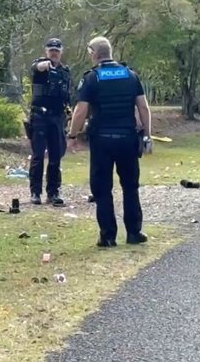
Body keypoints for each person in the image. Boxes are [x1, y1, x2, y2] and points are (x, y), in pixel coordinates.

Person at [67, 36, 151, 247]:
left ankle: (108, 236)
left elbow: (80, 111)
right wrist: (147, 135)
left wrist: (72, 136)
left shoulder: (92, 78)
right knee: (130, 186)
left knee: (103, 189)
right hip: (127, 139)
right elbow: (143, 107)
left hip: (102, 140)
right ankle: (134, 233)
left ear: (94, 53)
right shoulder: (131, 76)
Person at [27, 37, 72, 206]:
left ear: (61, 52)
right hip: (40, 117)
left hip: (57, 117)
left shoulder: (65, 72)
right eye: (51, 50)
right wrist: (43, 65)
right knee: (38, 156)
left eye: (57, 50)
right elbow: (35, 67)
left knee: (56, 156)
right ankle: (35, 192)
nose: (54, 53)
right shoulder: (40, 66)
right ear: (46, 51)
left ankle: (53, 192)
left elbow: (69, 94)